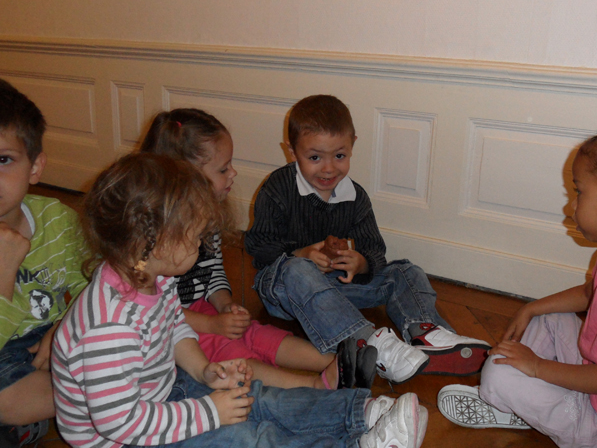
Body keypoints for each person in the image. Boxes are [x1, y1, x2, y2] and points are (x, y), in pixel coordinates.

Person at [51, 152, 427, 448]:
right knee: (247, 438)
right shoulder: (110, 328)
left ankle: (360, 413)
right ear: (154, 242)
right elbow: (119, 422)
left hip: (162, 394)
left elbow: (173, 327)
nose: (201, 245)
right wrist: (208, 412)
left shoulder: (151, 276)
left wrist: (203, 370)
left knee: (256, 397)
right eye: (195, 237)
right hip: (127, 438)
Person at [438, 113, 597, 447]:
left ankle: (539, 410)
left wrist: (537, 367)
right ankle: (531, 404)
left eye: (579, 192)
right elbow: (592, 293)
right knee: (547, 319)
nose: (571, 205)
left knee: (498, 375)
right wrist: (531, 309)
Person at [245, 95, 491, 384]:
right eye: (314, 158)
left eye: (339, 156)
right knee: (298, 269)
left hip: (335, 286)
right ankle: (366, 343)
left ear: (352, 145)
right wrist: (300, 253)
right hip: (284, 289)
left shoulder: (355, 196)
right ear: (292, 152)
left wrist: (361, 263)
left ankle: (427, 332)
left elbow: (375, 249)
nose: (328, 168)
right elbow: (258, 246)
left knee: (405, 271)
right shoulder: (277, 188)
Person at [139, 108, 376, 391]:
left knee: (259, 335)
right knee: (232, 354)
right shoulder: (151, 240)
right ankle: (315, 385)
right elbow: (155, 310)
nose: (233, 173)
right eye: (223, 169)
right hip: (173, 329)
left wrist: (225, 305)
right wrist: (211, 325)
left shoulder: (204, 219)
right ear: (186, 177)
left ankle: (341, 362)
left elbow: (212, 272)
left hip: (204, 312)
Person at [0, 78, 88, 447]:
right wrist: (4, 272)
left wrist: (67, 327)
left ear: (35, 167)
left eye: (3, 160)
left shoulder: (58, 219)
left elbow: (91, 284)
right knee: (7, 400)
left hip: (54, 333)